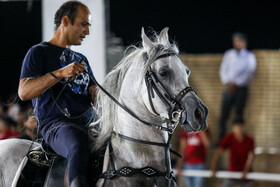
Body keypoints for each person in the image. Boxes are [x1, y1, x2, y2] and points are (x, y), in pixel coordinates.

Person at [18, 1, 98, 186]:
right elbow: (24, 92)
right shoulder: (39, 53)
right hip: (56, 125)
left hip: (88, 123)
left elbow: (94, 91)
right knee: (77, 145)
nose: (87, 31)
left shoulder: (81, 59)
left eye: (88, 26)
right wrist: (60, 73)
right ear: (65, 21)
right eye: (83, 24)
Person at [218, 32, 257, 141]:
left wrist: (236, 83)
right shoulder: (229, 54)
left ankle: (237, 139)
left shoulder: (250, 56)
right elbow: (223, 69)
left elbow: (249, 72)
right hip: (228, 87)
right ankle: (222, 139)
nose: (238, 44)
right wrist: (228, 82)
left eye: (240, 41)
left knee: (238, 114)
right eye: (236, 41)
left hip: (241, 89)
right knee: (224, 114)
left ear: (245, 43)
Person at [211, 119, 254, 187]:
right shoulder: (229, 138)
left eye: (241, 127)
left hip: (246, 174)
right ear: (233, 129)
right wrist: (213, 167)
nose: (239, 130)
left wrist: (245, 170)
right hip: (233, 172)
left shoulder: (249, 139)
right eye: (237, 128)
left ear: (244, 128)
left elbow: (250, 157)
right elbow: (218, 152)